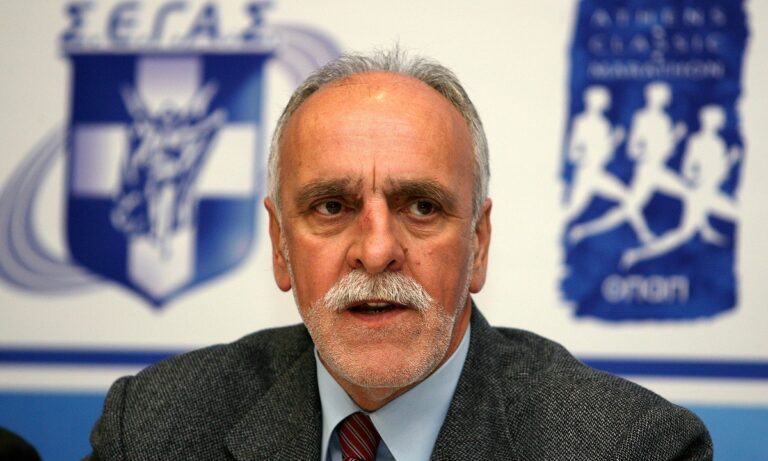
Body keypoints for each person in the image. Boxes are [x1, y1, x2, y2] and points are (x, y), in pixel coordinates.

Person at [87, 49, 712, 460]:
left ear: (478, 245)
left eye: (422, 206)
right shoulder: (154, 429)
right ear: (280, 245)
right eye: (332, 206)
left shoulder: (630, 447)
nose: (378, 251)